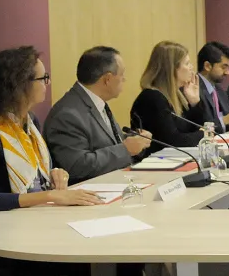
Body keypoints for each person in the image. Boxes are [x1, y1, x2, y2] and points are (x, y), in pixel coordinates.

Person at [0, 47, 149, 276]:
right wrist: (53, 195)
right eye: (43, 77)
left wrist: (56, 176)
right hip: (8, 247)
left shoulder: (30, 123)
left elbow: (38, 178)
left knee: (122, 251)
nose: (48, 83)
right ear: (19, 84)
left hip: (42, 227)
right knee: (112, 260)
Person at [44, 46, 152, 182]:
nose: (124, 80)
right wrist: (125, 150)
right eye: (122, 74)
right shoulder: (67, 114)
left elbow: (106, 142)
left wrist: (136, 142)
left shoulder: (96, 102)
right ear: (107, 79)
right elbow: (76, 165)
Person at [130, 41, 207, 147]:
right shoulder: (152, 98)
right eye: (187, 63)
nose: (192, 67)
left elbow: (194, 129)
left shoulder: (178, 94)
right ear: (171, 68)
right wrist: (204, 134)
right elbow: (173, 141)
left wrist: (195, 103)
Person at [197, 42, 229, 131]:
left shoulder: (218, 89)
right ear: (207, 66)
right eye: (223, 67)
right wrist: (226, 120)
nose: (227, 72)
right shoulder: (194, 90)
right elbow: (201, 126)